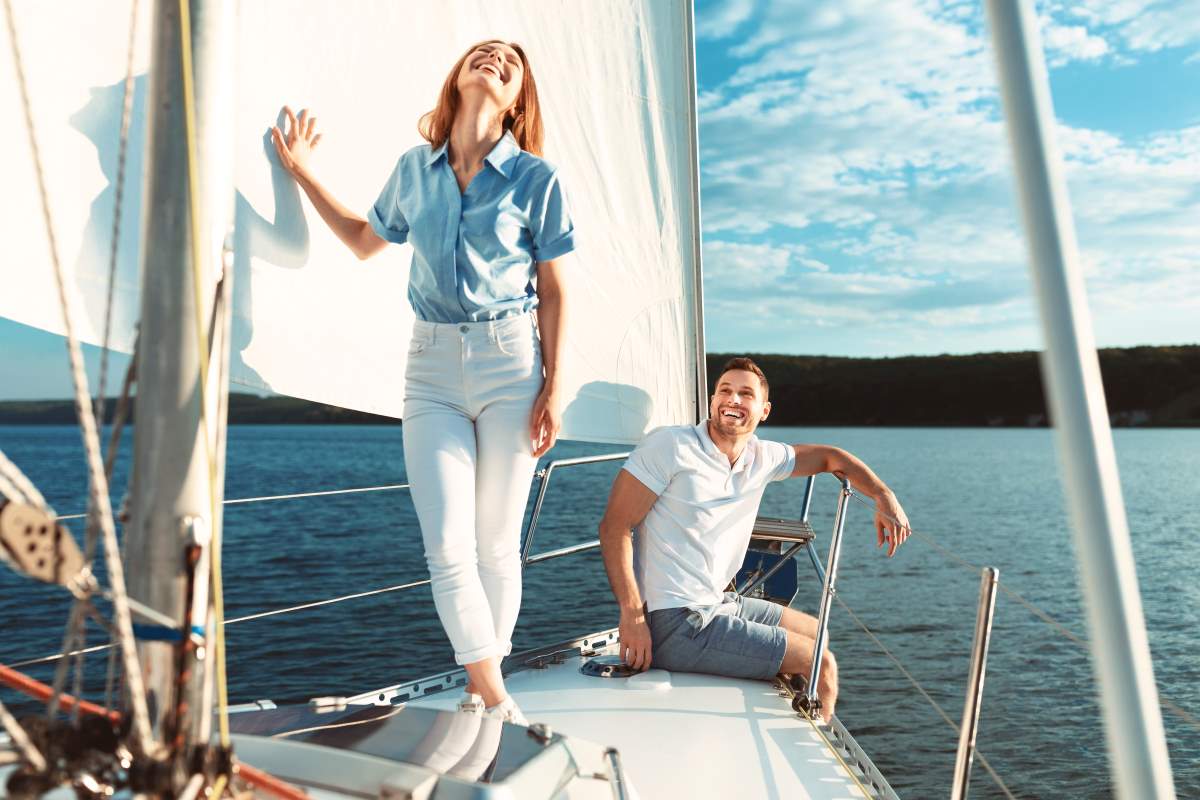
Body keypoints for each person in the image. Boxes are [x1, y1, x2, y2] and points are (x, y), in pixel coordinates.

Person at [272, 40, 574, 724]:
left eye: (511, 60)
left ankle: (482, 691)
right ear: (459, 76)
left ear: (518, 98)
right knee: (445, 542)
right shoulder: (414, 170)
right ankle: (494, 692)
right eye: (483, 51)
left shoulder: (536, 179)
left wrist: (555, 385)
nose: (494, 57)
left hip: (512, 363)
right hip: (430, 367)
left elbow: (554, 291)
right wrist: (302, 174)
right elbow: (362, 239)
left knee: (497, 543)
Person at [598, 357, 910, 720]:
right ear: (712, 401)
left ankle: (778, 686)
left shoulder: (762, 456)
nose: (732, 399)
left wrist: (883, 494)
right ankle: (811, 748)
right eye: (724, 390)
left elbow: (831, 458)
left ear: (764, 410)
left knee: (816, 631)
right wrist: (633, 619)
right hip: (674, 622)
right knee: (821, 664)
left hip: (717, 603)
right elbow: (614, 527)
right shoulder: (671, 446)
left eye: (745, 394)